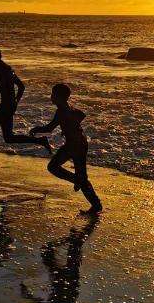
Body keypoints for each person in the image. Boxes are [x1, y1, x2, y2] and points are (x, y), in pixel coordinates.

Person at [32, 83, 102, 214]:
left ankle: (77, 181)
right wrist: (70, 126)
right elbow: (81, 115)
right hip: (81, 142)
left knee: (53, 167)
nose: (51, 97)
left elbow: (50, 128)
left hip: (73, 145)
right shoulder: (68, 107)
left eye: (53, 95)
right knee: (81, 175)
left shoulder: (61, 110)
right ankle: (96, 204)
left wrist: (36, 129)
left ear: (59, 97)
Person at [0, 45, 50, 168]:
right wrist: (16, 100)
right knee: (9, 137)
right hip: (10, 105)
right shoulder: (8, 68)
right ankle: (40, 140)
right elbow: (21, 86)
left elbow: (2, 83)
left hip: (6, 106)